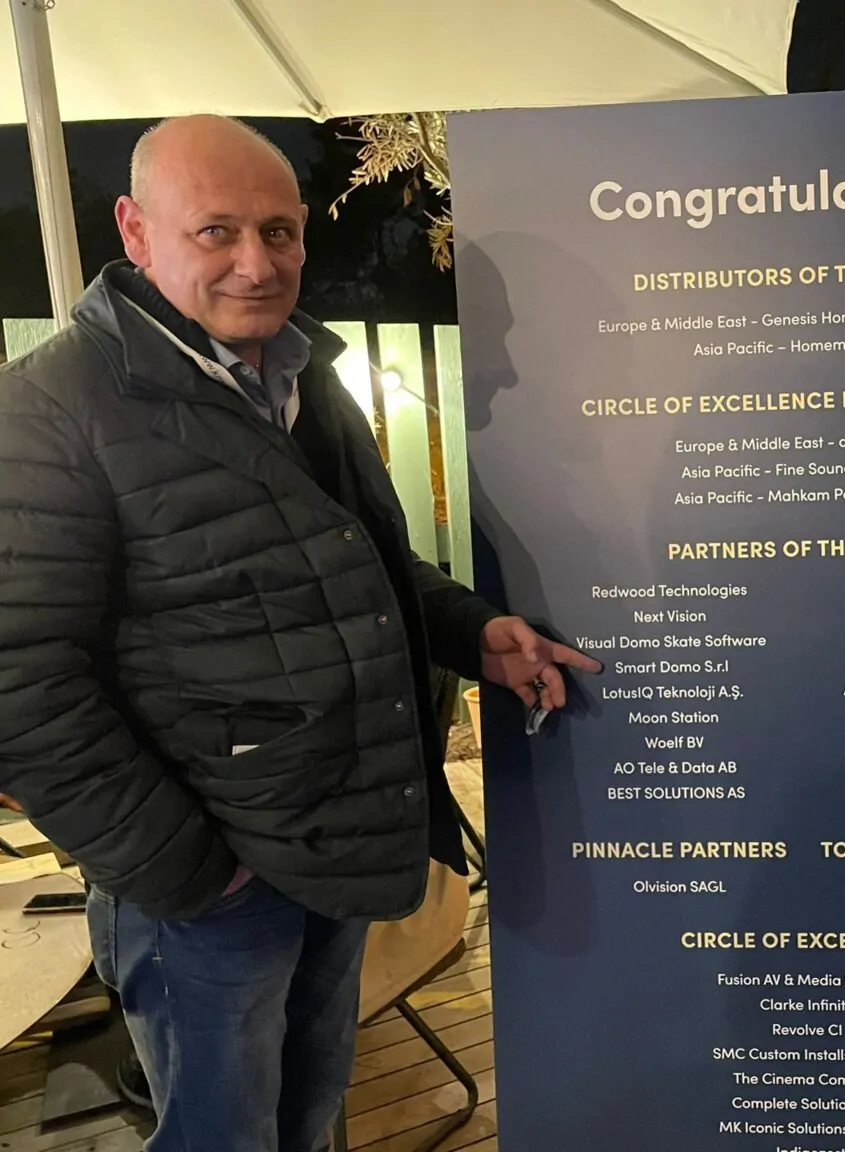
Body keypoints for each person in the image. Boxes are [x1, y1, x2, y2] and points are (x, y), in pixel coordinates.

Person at [0, 115, 600, 1152]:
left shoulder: (302, 375)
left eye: (278, 231)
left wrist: (476, 634)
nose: (257, 262)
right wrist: (191, 873)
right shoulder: (47, 409)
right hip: (209, 888)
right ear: (135, 230)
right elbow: (19, 683)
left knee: (308, 1118)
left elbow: (363, 566)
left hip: (335, 850)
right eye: (217, 231)